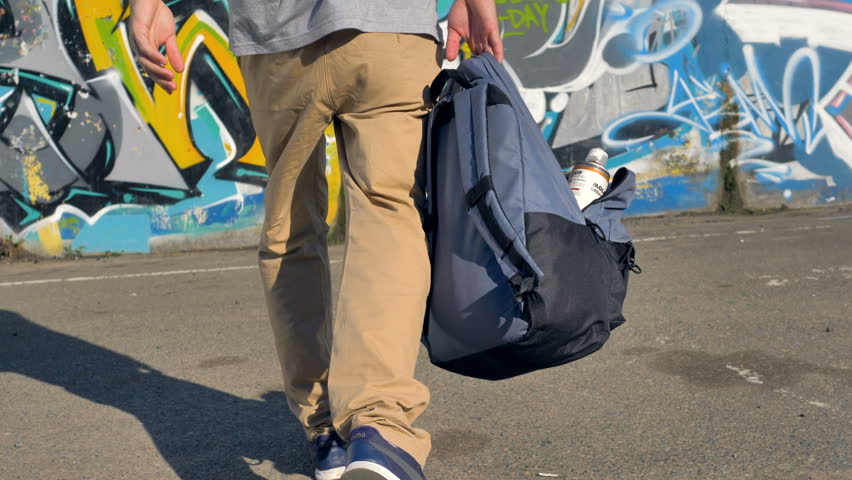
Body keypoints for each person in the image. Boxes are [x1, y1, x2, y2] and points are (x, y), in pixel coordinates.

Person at [129, 1, 503, 479]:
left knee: (291, 230)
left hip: (277, 39)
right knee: (389, 213)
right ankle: (378, 427)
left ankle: (324, 430)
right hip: (389, 31)